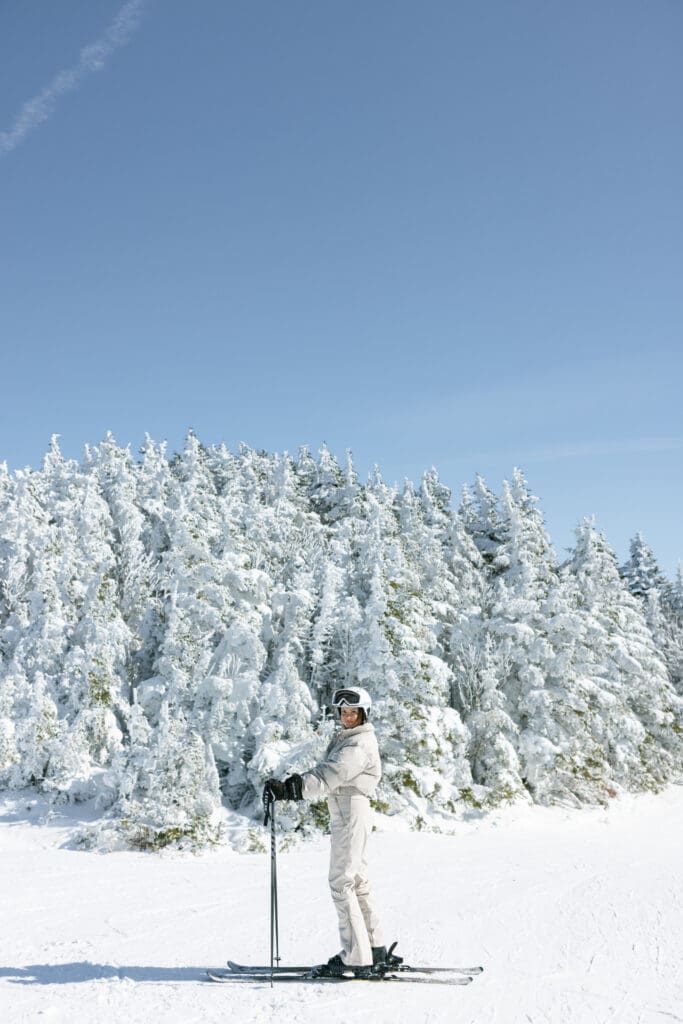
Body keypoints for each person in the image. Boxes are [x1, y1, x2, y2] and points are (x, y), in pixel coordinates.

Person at [263, 686, 389, 977]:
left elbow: (329, 775)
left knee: (341, 882)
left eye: (352, 712)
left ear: (363, 714)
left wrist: (291, 789)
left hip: (349, 809)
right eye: (343, 712)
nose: (347, 717)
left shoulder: (357, 746)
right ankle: (373, 947)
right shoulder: (354, 739)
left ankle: (357, 957)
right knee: (356, 879)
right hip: (350, 809)